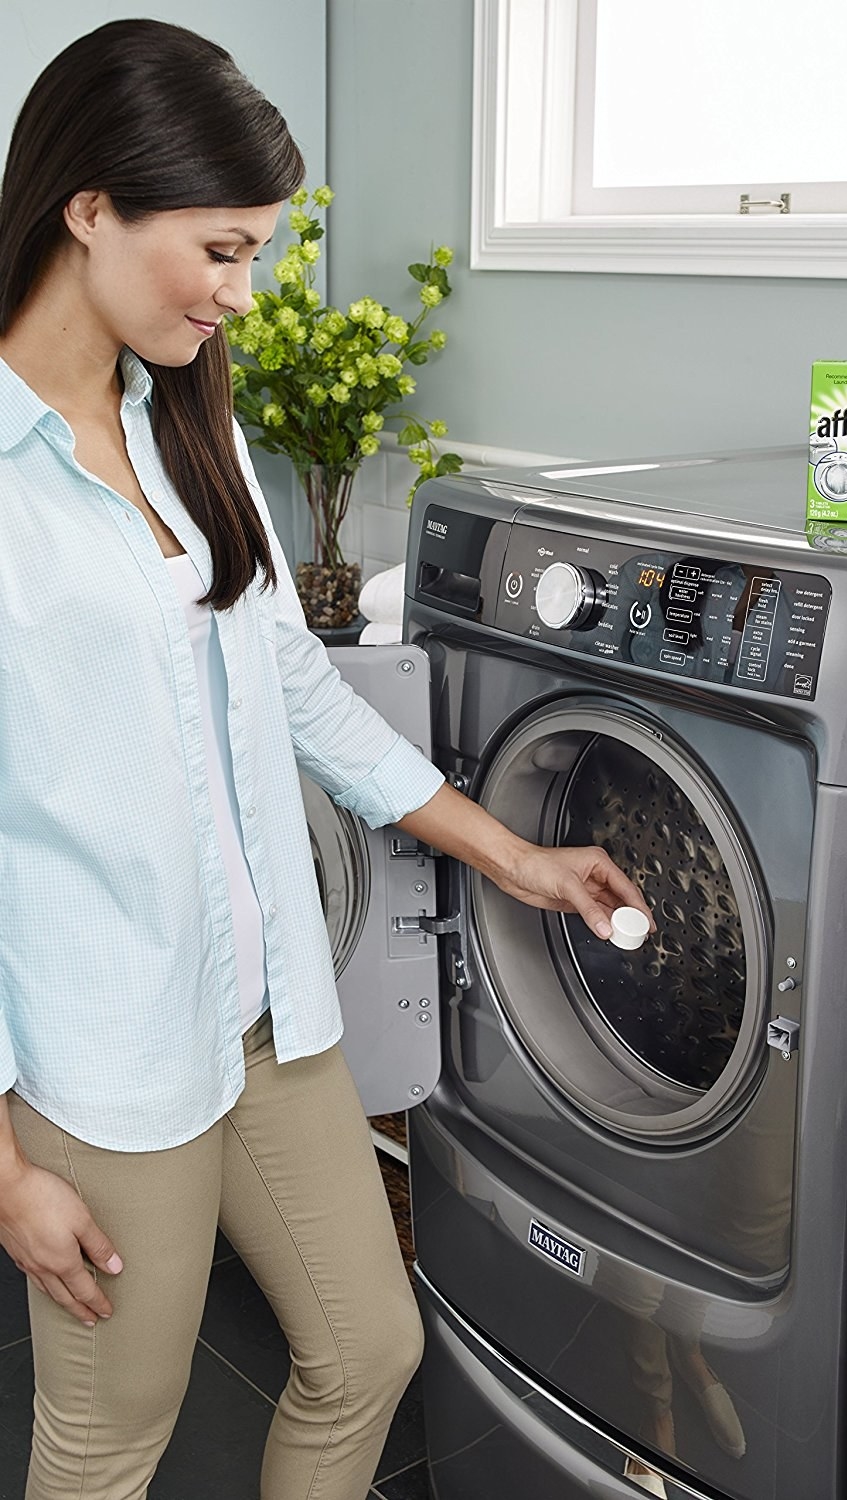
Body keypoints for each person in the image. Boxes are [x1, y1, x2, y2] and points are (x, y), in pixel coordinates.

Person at [0, 21, 651, 1500]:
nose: (241, 296)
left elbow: (296, 684)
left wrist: (516, 853)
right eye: (220, 252)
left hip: (270, 1017)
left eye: (254, 258)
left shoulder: (183, 434)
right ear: (87, 206)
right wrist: (6, 1173)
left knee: (369, 1351)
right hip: (101, 1067)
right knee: (109, 1445)